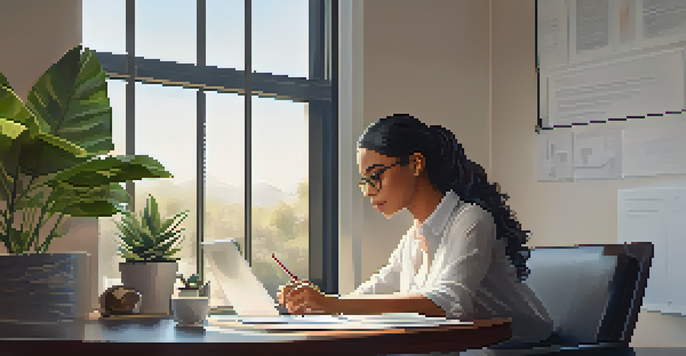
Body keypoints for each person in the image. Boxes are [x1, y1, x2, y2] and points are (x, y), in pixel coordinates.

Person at [278, 114, 554, 347]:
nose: (370, 191)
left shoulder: (471, 220)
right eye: (365, 182)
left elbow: (447, 302)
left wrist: (334, 305)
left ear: (416, 164)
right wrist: (320, 306)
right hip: (468, 349)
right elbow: (379, 287)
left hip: (526, 349)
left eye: (376, 175)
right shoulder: (415, 235)